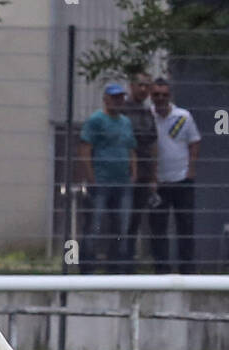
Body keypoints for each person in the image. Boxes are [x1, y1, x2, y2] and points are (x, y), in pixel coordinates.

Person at [77, 83, 137, 273]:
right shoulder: (96, 120)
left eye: (120, 97)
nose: (117, 101)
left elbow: (131, 149)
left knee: (122, 226)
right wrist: (91, 176)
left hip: (123, 181)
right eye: (114, 97)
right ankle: (87, 267)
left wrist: (133, 172)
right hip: (101, 180)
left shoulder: (126, 122)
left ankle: (118, 267)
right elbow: (85, 148)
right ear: (106, 99)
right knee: (95, 224)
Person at [149, 78, 201, 274]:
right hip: (157, 182)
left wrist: (191, 170)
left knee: (185, 226)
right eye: (156, 95)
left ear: (170, 96)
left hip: (181, 179)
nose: (160, 98)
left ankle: (187, 269)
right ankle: (161, 270)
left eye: (164, 95)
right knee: (158, 229)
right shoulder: (148, 116)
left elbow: (195, 142)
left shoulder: (183, 117)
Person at [124, 70, 159, 263]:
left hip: (144, 173)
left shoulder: (147, 112)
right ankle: (118, 264)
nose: (144, 89)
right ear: (132, 86)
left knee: (135, 219)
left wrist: (153, 175)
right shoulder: (122, 109)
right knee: (122, 220)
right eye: (140, 85)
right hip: (125, 173)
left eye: (147, 85)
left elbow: (153, 144)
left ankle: (129, 262)